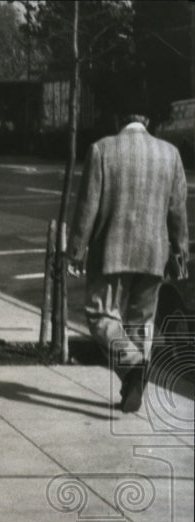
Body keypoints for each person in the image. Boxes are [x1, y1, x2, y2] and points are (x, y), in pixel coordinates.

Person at [68, 97, 189, 413]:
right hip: (154, 254)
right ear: (147, 120)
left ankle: (133, 366)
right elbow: (178, 211)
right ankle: (133, 382)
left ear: (119, 118)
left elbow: (87, 207)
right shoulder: (170, 154)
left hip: (112, 251)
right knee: (141, 321)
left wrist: (77, 250)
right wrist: (179, 252)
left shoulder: (102, 150)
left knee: (100, 314)